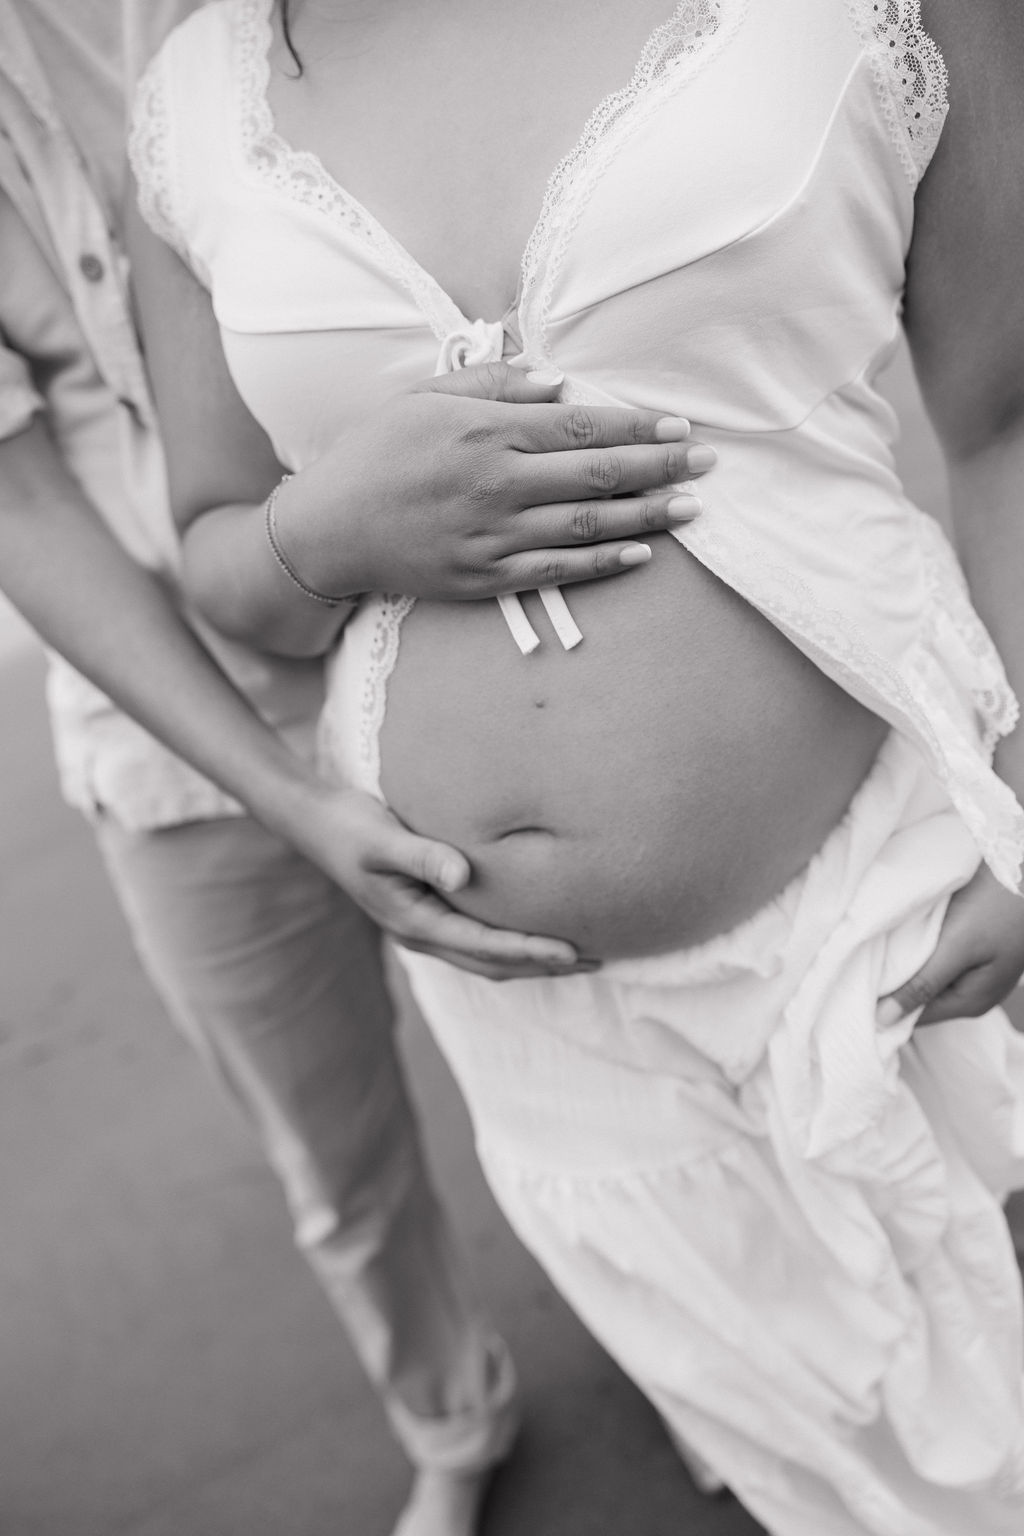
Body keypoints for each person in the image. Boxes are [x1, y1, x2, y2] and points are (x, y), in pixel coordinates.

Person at [127, 0, 1024, 1530]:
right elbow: (221, 558)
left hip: (898, 890)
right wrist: (326, 533)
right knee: (793, 1421)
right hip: (542, 1022)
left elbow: (1007, 414)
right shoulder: (194, 98)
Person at [0, 4, 718, 1532]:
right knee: (332, 1150)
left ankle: (704, 1348)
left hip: (461, 616)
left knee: (625, 1055)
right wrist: (287, 796)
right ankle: (451, 1420)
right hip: (168, 733)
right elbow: (21, 504)